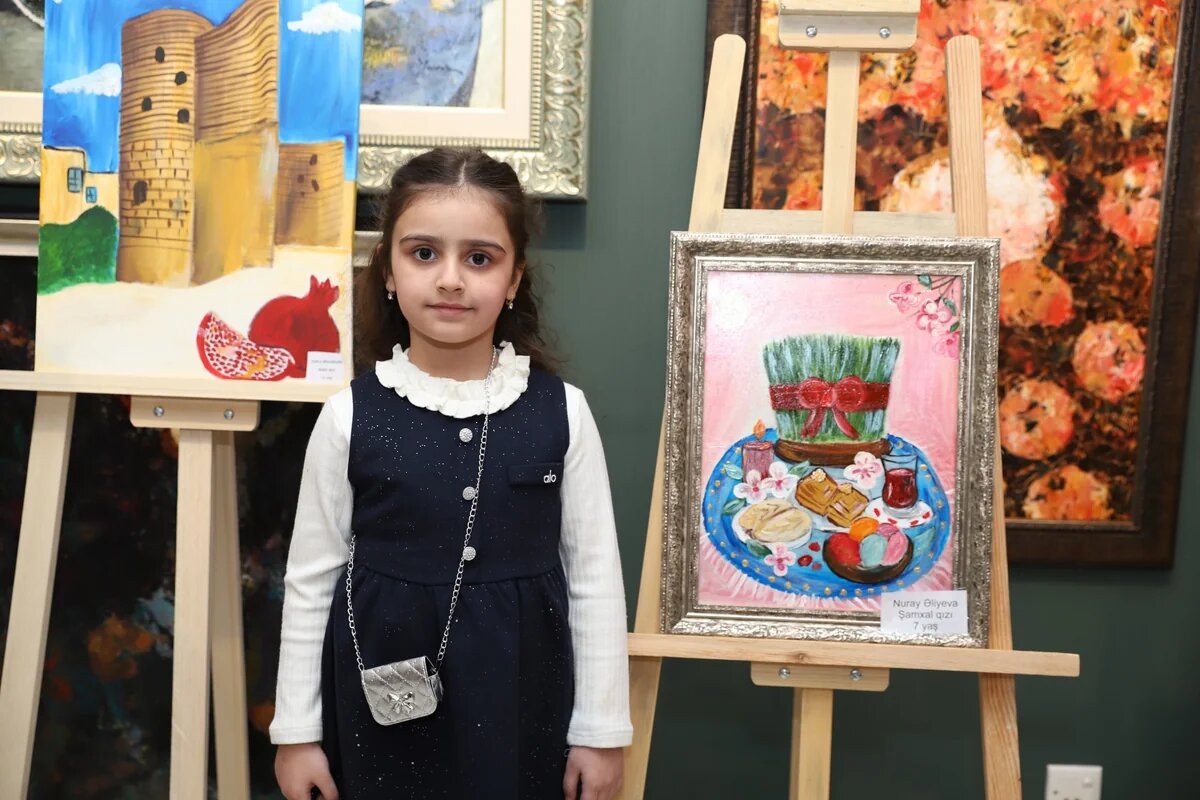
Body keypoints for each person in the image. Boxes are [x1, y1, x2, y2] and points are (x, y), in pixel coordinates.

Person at [269, 147, 632, 800]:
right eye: (424, 253)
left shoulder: (563, 412)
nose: (450, 280)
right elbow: (310, 582)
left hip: (524, 705)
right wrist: (296, 735)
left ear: (515, 279)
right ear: (388, 269)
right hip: (379, 711)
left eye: (480, 258)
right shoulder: (349, 415)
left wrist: (602, 732)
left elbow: (595, 581)